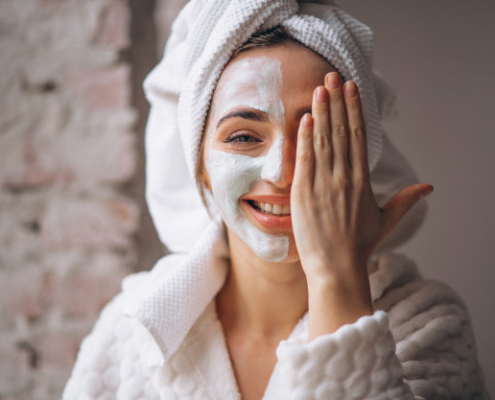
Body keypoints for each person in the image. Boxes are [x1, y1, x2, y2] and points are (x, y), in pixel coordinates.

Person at [63, 1, 489, 399]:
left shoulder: (430, 324)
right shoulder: (127, 336)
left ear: (360, 159)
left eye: (315, 137)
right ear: (200, 169)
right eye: (244, 137)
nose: (281, 173)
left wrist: (337, 277)